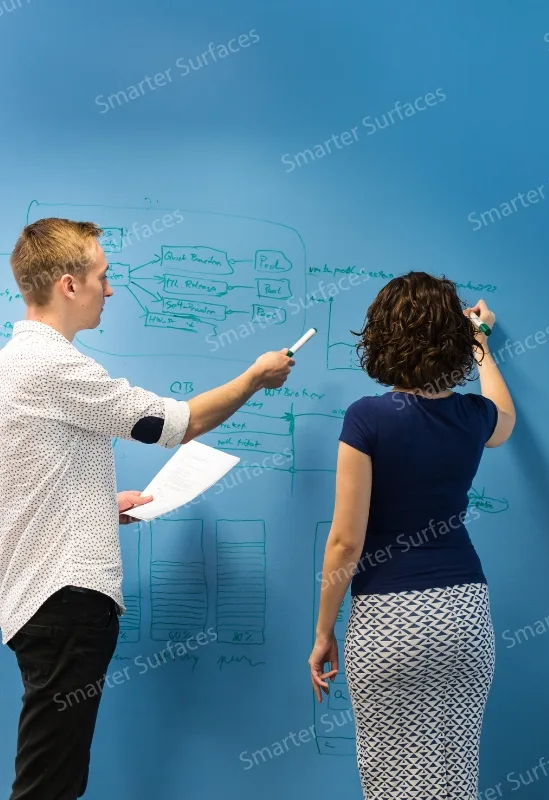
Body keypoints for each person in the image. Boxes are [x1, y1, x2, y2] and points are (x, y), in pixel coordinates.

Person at [0, 218, 295, 800]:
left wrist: (93, 506)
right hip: (64, 599)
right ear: (68, 285)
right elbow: (175, 424)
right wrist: (255, 378)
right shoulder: (53, 366)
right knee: (49, 785)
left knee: (54, 776)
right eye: (102, 276)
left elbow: (21, 480)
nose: (109, 289)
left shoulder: (14, 363)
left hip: (38, 599)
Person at [309, 272, 515, 799]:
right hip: (465, 615)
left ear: (382, 338)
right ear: (454, 341)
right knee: (453, 777)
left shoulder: (368, 418)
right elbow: (507, 420)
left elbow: (345, 542)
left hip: (389, 622)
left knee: (392, 780)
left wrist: (324, 632)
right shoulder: (473, 416)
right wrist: (480, 341)